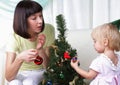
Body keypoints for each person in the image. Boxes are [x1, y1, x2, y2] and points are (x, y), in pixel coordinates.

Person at [5, 0, 55, 85]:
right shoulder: (14, 37)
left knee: (29, 82)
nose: (40, 21)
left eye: (40, 16)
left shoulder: (49, 30)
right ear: (23, 20)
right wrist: (19, 58)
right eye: (34, 18)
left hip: (41, 71)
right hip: (21, 72)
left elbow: (48, 67)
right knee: (14, 83)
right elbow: (9, 77)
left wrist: (40, 49)